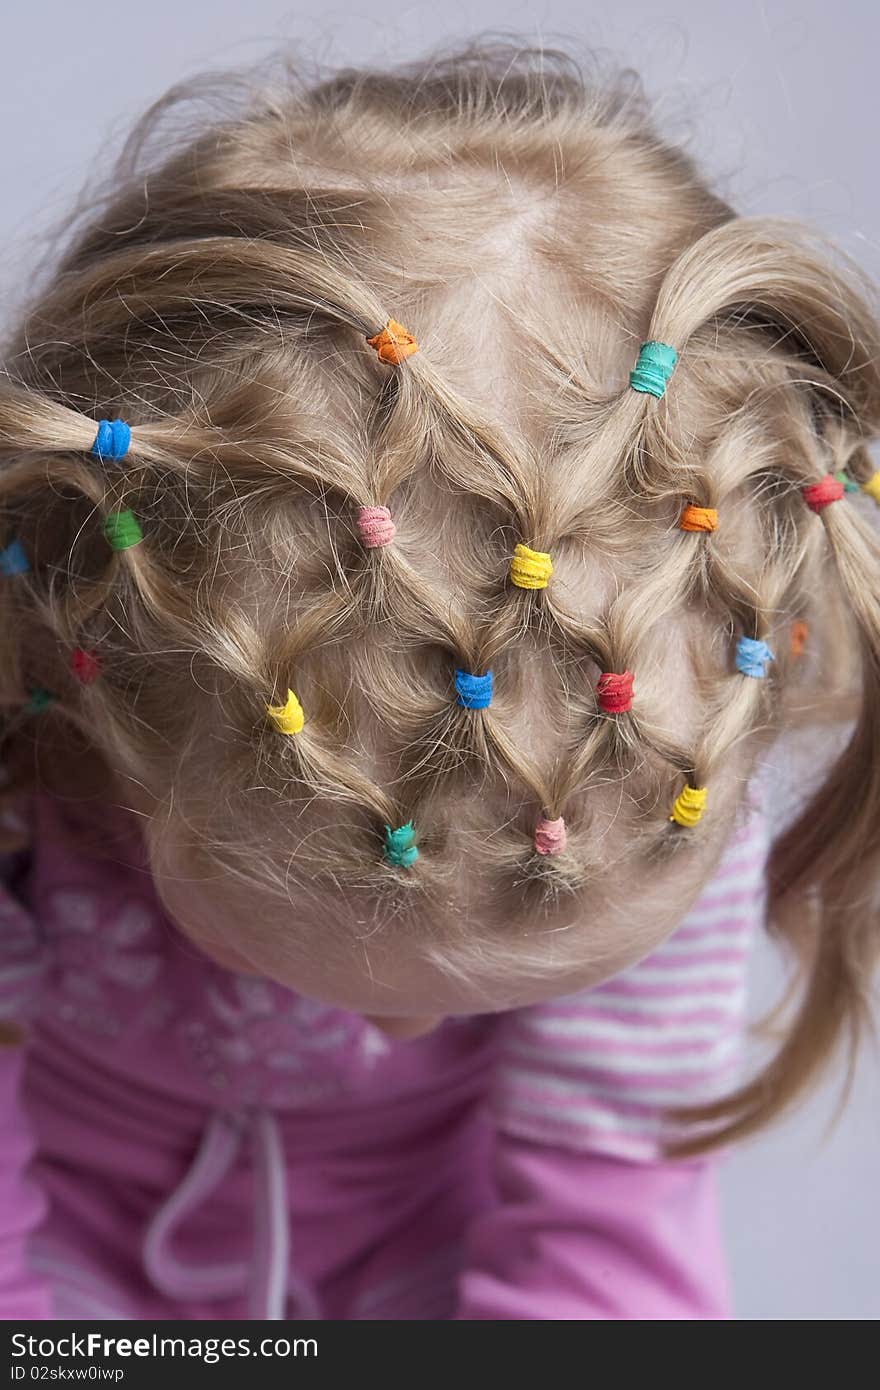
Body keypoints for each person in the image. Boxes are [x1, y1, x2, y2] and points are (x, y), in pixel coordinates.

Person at [1, 39, 878, 1321]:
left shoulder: (645, 787)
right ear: (91, 697)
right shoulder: (27, 780)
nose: (411, 1045)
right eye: (292, 952)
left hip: (435, 1254)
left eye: (532, 988)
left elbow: (604, 1244)